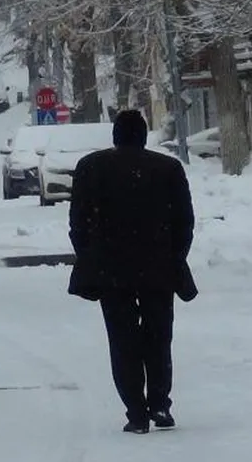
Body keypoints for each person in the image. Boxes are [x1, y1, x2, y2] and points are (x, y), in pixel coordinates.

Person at [67, 110, 196, 434]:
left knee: (122, 340)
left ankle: (136, 412)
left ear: (115, 136)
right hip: (158, 268)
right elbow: (184, 221)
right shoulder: (167, 168)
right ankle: (160, 403)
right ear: (143, 135)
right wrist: (175, 257)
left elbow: (78, 221)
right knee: (158, 336)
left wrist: (89, 256)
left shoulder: (91, 168)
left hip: (112, 270)